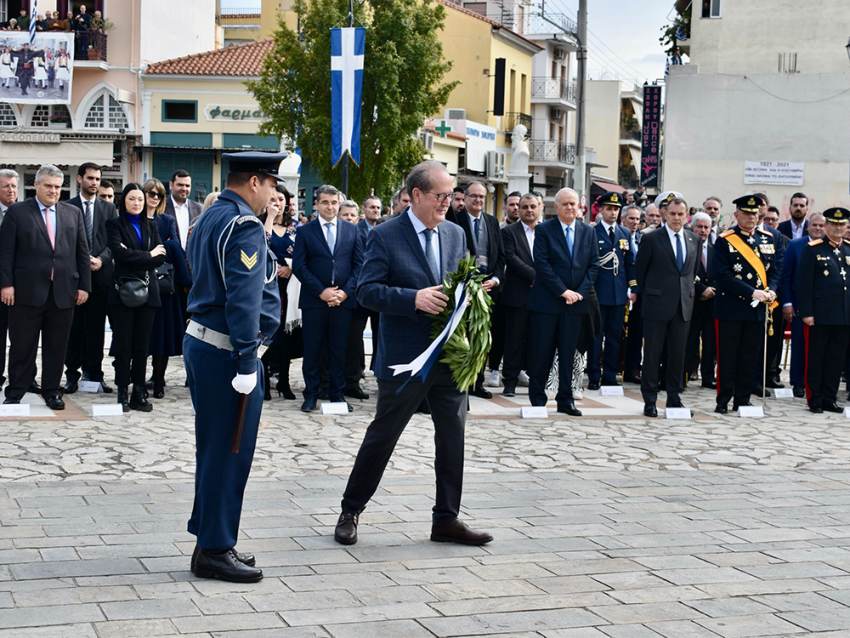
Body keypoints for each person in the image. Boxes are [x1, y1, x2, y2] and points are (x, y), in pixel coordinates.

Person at [334, 160, 492, 548]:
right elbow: (366, 290)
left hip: (450, 356)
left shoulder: (455, 234)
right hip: (406, 359)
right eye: (440, 196)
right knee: (384, 435)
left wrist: (472, 293)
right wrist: (413, 299)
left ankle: (446, 519)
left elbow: (457, 280)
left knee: (453, 437)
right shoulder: (386, 235)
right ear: (416, 195)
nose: (447, 203)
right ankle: (350, 510)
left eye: (450, 196)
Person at [184, 151, 283, 583]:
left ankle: (212, 537)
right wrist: (247, 358)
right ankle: (214, 548)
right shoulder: (243, 224)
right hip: (228, 353)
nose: (274, 195)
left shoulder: (212, 215)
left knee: (215, 448)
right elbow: (243, 299)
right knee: (229, 452)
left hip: (206, 344)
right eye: (273, 186)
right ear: (256, 181)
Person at [0, 164, 90, 409]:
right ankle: (16, 390)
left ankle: (52, 391)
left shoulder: (72, 213)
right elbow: (6, 253)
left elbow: (82, 253)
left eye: (58, 187)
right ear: (36, 185)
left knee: (57, 346)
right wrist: (6, 284)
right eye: (48, 186)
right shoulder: (17, 213)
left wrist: (84, 286)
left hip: (63, 292)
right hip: (26, 292)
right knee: (22, 344)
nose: (53, 191)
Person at [527, 187, 599, 416]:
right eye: (565, 204)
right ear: (556, 207)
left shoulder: (588, 231)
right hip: (548, 304)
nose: (570, 207)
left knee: (569, 353)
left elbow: (594, 265)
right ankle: (538, 398)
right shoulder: (545, 230)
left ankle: (565, 400)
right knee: (542, 353)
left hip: (576, 304)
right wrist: (562, 291)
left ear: (580, 206)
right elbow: (542, 264)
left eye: (573, 204)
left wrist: (579, 292)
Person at [292, 184, 362, 413]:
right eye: (325, 202)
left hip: (343, 301)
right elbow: (300, 266)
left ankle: (337, 394)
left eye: (334, 202)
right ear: (316, 204)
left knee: (339, 349)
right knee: (313, 349)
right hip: (315, 301)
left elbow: (359, 266)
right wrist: (321, 291)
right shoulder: (305, 231)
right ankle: (311, 394)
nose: (330, 207)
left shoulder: (352, 230)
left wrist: (344, 292)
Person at [710, 194, 781, 413]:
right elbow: (721, 275)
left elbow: (777, 270)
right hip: (732, 307)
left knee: (750, 356)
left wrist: (771, 291)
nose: (751, 217)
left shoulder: (767, 238)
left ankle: (742, 399)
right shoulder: (725, 240)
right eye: (746, 213)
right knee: (728, 356)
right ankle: (723, 399)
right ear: (736, 214)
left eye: (754, 213)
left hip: (757, 311)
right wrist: (752, 292)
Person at [635, 198, 700, 417]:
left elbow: (691, 272)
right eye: (672, 214)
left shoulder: (693, 239)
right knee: (653, 355)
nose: (676, 218)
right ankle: (650, 400)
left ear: (686, 216)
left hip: (683, 306)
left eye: (681, 214)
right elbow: (640, 272)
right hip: (656, 305)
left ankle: (674, 397)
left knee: (677, 356)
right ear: (665, 214)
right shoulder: (652, 239)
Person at [106, 184, 166, 412]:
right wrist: (148, 255)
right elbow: (118, 254)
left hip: (148, 292)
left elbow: (160, 257)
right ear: (124, 201)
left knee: (142, 345)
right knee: (124, 344)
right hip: (122, 291)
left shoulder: (151, 225)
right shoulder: (114, 224)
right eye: (132, 199)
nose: (137, 203)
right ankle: (123, 390)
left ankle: (139, 392)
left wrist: (141, 256)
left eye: (140, 199)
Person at [64, 163, 117, 395]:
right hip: (74, 278)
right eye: (90, 178)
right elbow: (63, 241)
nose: (94, 182)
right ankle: (71, 376)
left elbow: (114, 242)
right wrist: (82, 259)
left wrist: (101, 259)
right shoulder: (66, 207)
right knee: (73, 330)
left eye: (97, 179)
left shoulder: (109, 209)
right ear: (79, 179)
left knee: (96, 331)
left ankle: (94, 375)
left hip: (101, 277)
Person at [452, 181, 504, 397]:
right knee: (462, 335)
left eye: (482, 197)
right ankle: (460, 381)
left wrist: (496, 280)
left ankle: (477, 382)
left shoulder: (492, 222)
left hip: (488, 289)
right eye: (474, 196)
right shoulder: (454, 219)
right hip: (463, 289)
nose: (478, 200)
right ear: (464, 197)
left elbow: (501, 256)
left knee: (482, 337)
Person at [796, 207, 850, 413]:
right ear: (826, 226)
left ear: (846, 227)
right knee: (816, 358)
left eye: (841, 225)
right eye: (833, 224)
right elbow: (804, 284)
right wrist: (807, 312)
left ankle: (830, 397)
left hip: (844, 316)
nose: (837, 228)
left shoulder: (848, 249)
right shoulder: (813, 249)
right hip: (820, 315)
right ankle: (815, 399)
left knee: (836, 360)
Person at [144, 178, 189, 399]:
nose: (153, 198)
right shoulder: (131, 220)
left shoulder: (166, 220)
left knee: (160, 337)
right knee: (140, 338)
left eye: (158, 195)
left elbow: (176, 249)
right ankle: (136, 379)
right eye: (150, 193)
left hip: (163, 287)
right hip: (137, 285)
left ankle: (159, 379)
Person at [587, 192, 633, 389]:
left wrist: (633, 287)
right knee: (596, 337)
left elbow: (629, 263)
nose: (613, 213)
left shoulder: (624, 233)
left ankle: (610, 375)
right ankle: (594, 376)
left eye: (616, 209)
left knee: (615, 337)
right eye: (609, 208)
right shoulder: (592, 232)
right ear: (601, 210)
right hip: (597, 293)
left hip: (618, 294)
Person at [779, 213, 826, 398]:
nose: (818, 229)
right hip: (799, 305)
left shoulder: (829, 248)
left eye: (822, 226)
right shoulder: (795, 245)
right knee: (799, 345)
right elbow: (786, 276)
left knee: (820, 347)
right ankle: (798, 382)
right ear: (808, 227)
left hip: (823, 306)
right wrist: (787, 303)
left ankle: (817, 383)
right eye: (815, 225)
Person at [500, 193, 539, 396]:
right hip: (517, 295)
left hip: (542, 297)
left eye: (533, 206)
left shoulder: (546, 232)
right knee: (514, 341)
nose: (529, 210)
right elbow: (511, 258)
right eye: (525, 207)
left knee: (538, 340)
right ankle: (510, 382)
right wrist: (536, 276)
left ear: (539, 208)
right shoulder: (509, 232)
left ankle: (536, 380)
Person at [263, 187, 300, 400]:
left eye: (281, 199)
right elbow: (263, 243)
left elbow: (303, 254)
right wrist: (269, 216)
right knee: (269, 334)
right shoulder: (260, 224)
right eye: (273, 199)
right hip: (268, 288)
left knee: (287, 336)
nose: (277, 203)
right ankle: (265, 381)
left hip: (290, 289)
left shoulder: (295, 229)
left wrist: (291, 268)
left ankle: (284, 381)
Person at [686, 211, 717, 388]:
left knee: (710, 342)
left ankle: (708, 377)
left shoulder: (714, 249)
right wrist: (701, 289)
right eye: (700, 227)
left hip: (712, 302)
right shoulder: (687, 246)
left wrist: (712, 290)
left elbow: (722, 273)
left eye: (706, 227)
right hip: (692, 301)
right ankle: (689, 371)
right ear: (693, 227)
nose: (703, 230)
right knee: (690, 340)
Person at [620, 205, 643, 383]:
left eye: (637, 219)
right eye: (631, 218)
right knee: (619, 333)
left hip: (639, 293)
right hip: (620, 291)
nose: (635, 222)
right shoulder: (619, 235)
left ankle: (633, 369)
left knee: (636, 333)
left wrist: (635, 289)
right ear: (624, 219)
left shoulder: (644, 238)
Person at [0, 169, 18, 388]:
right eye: (6, 186)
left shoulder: (27, 212)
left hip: (21, 287)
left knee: (23, 337)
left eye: (14, 186)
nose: (11, 190)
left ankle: (23, 378)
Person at [165, 170, 203, 251]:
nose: (184, 188)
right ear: (171, 185)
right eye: (180, 185)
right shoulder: (161, 207)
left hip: (191, 261)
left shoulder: (199, 209)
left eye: (187, 186)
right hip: (168, 261)